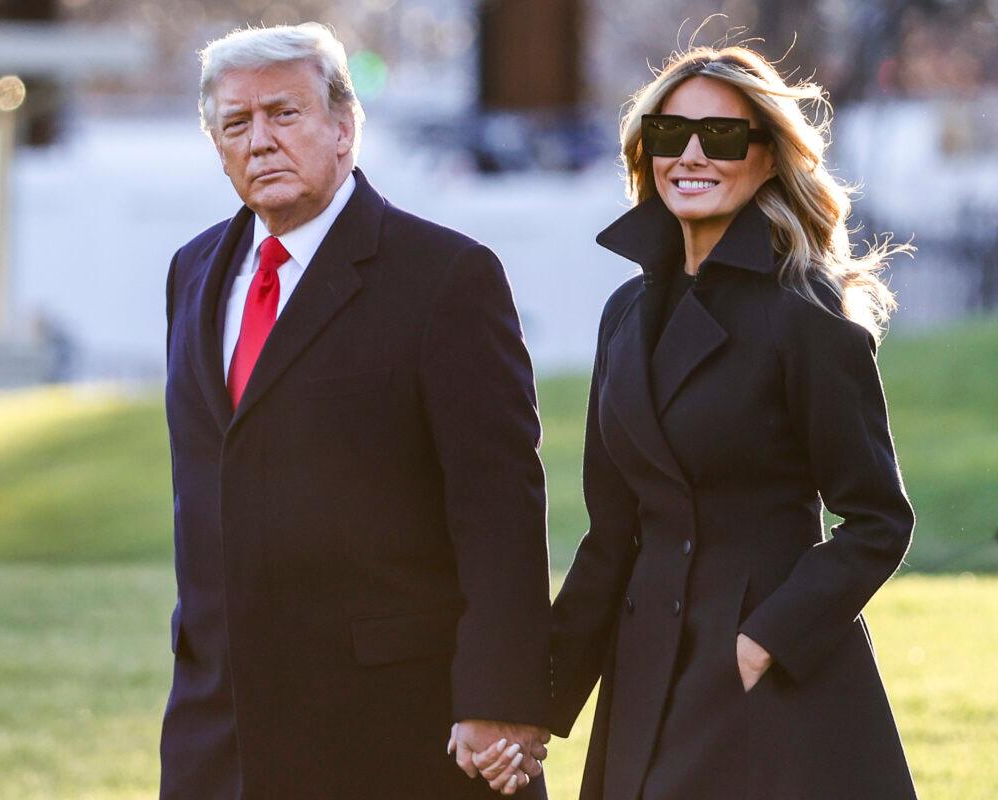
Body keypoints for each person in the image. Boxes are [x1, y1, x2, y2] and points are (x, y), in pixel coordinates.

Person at [480, 45, 918, 799]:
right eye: (668, 135)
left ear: (768, 158)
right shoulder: (623, 316)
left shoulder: (804, 318)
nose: (690, 156)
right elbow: (612, 539)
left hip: (769, 687)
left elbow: (879, 519)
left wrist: (766, 639)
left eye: (720, 137)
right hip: (648, 673)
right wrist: (535, 707)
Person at [160, 23, 551, 799]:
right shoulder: (193, 271)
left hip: (393, 728)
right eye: (236, 123)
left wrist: (498, 699)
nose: (260, 140)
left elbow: (501, 509)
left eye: (284, 113)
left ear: (344, 128)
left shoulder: (446, 277)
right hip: (220, 730)